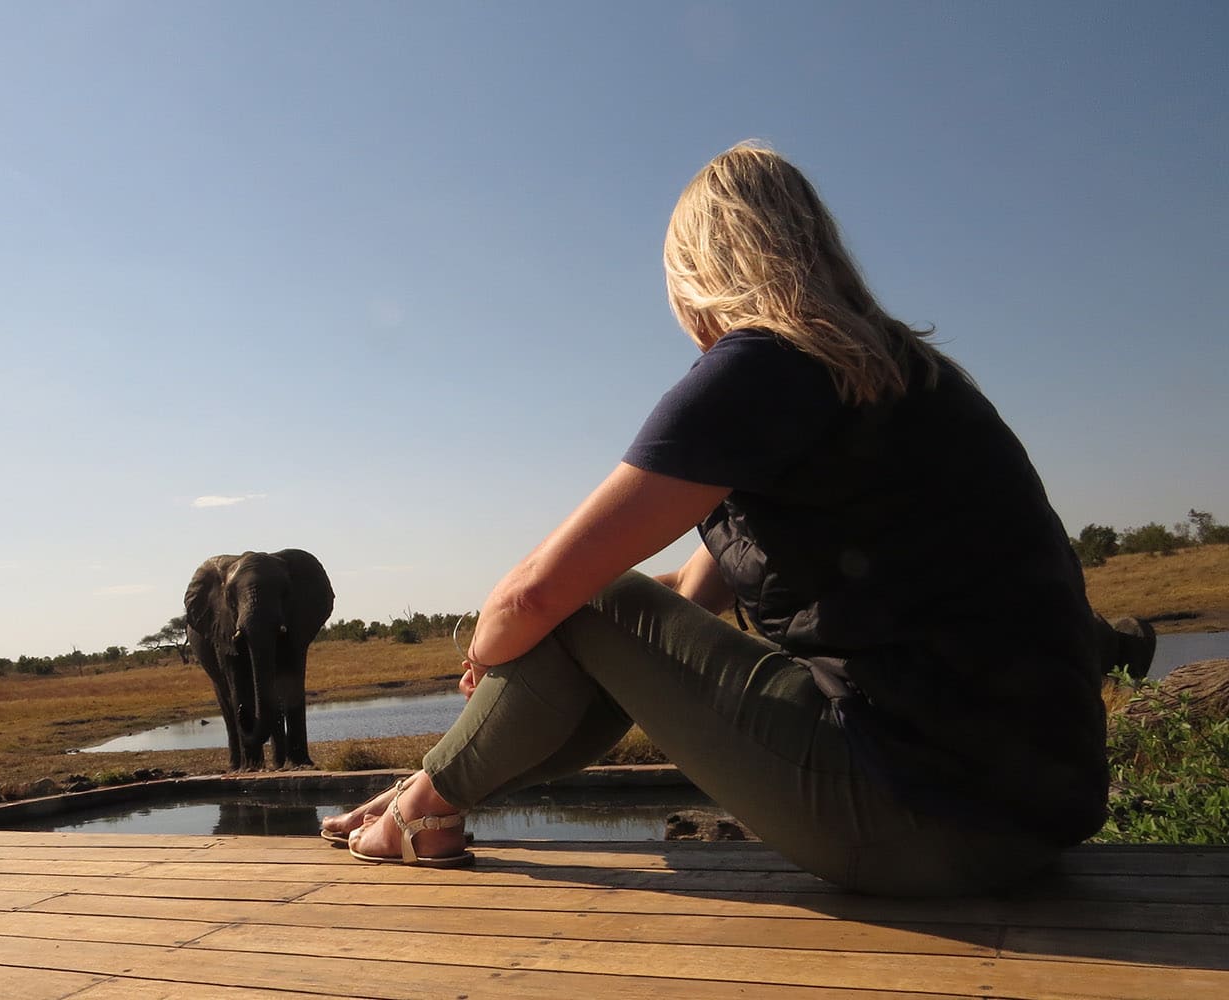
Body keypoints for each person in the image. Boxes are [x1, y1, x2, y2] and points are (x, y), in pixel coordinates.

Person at [323, 141, 1114, 896]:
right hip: (1023, 821)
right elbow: (684, 602)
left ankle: (424, 807)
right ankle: (431, 799)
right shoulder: (901, 372)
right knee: (590, 609)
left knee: (587, 595)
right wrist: (482, 708)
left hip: (918, 818)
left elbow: (538, 596)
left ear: (700, 269)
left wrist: (495, 643)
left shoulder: (765, 365)